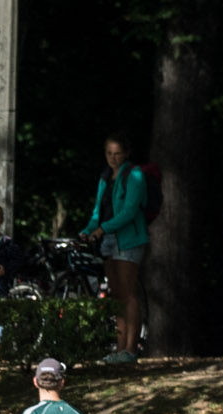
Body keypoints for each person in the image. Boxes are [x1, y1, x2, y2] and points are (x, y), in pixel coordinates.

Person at [84, 135, 149, 363]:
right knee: (116, 295)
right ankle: (119, 348)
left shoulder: (134, 174)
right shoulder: (105, 177)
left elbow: (129, 211)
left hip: (128, 240)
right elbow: (98, 211)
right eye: (109, 153)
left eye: (117, 153)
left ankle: (131, 349)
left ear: (126, 153)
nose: (113, 158)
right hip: (108, 241)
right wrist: (88, 230)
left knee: (128, 292)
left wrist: (102, 229)